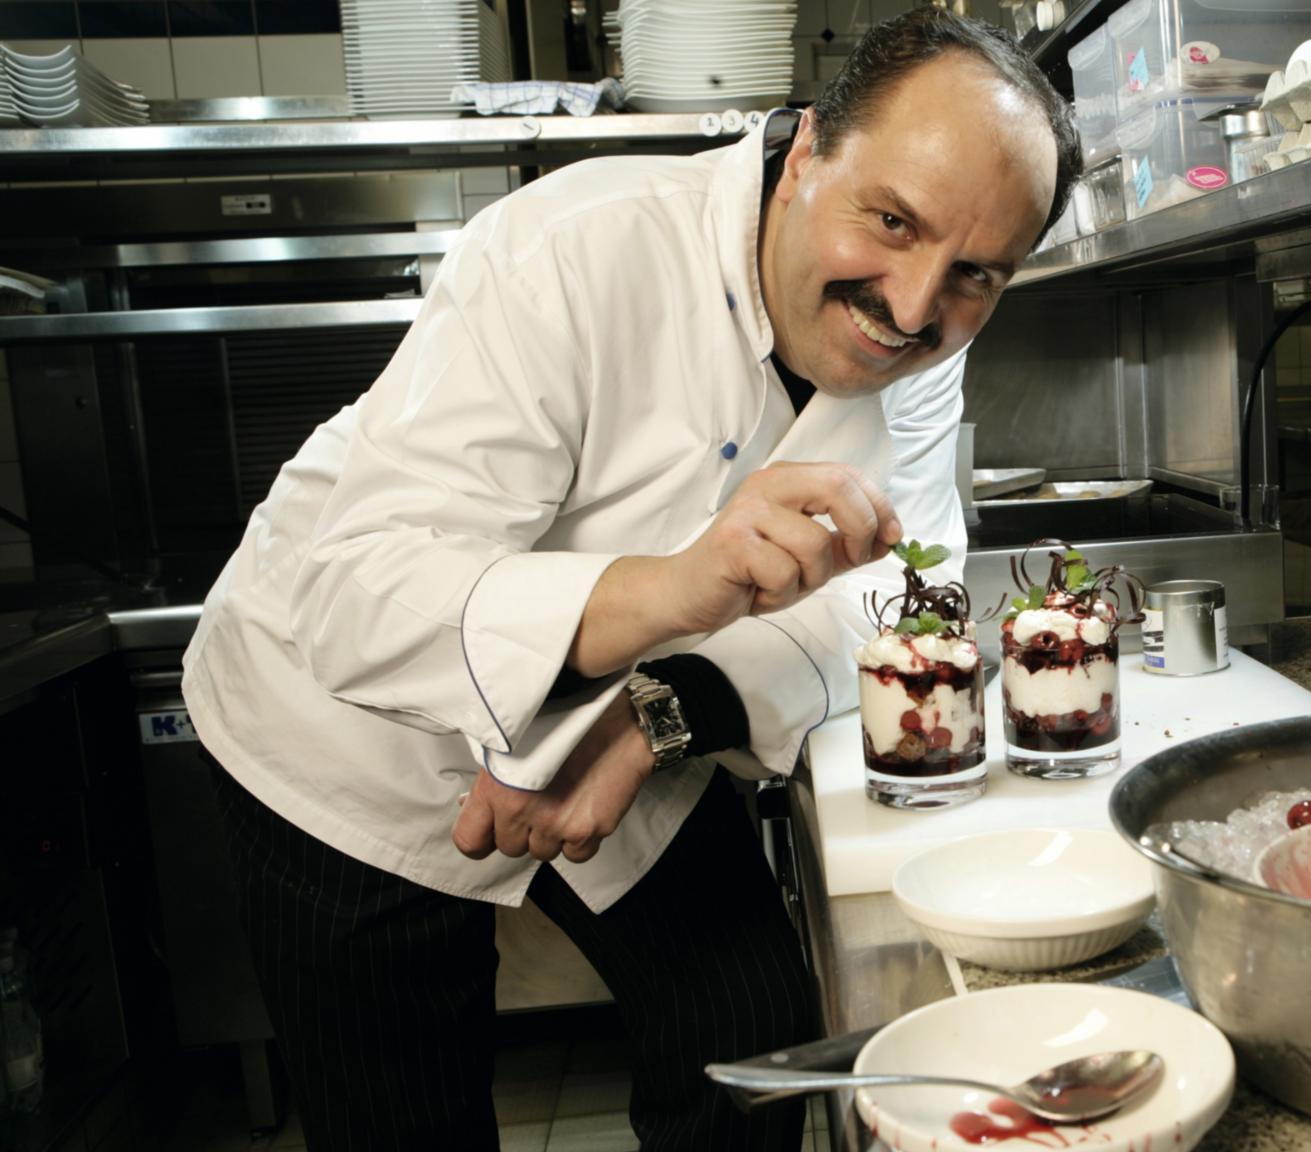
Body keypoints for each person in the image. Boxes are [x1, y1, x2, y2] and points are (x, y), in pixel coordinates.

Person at [180, 9, 1081, 1150]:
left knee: (750, 1031)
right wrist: (674, 590)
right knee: (402, 1113)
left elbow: (902, 580)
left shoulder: (920, 341)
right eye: (889, 221)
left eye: (972, 277)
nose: (909, 310)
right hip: (347, 742)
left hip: (629, 713)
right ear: (805, 154)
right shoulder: (574, 245)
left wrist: (658, 717)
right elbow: (360, 594)